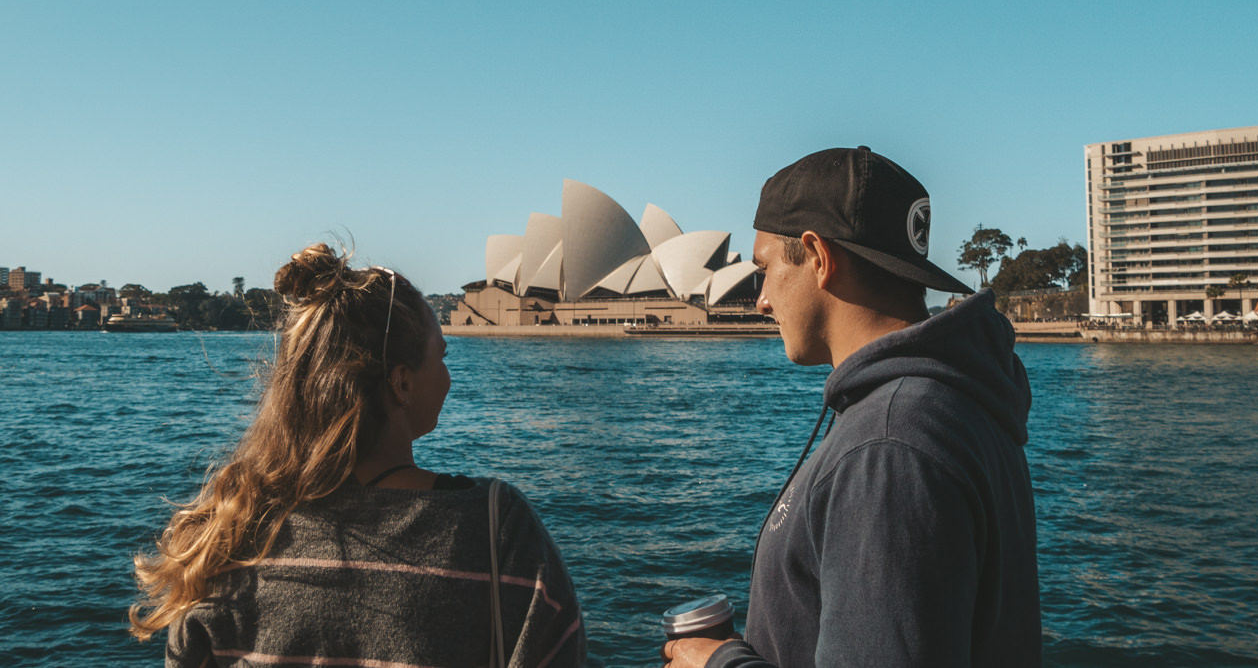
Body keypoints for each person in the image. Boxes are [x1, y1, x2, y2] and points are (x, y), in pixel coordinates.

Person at [664, 147, 1041, 668]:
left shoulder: (889, 446)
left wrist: (722, 663)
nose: (761, 300)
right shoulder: (956, 400)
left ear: (819, 258)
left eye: (765, 269)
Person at [131, 242, 585, 668]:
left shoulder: (229, 534)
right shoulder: (495, 528)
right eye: (442, 356)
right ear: (402, 382)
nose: (449, 376)